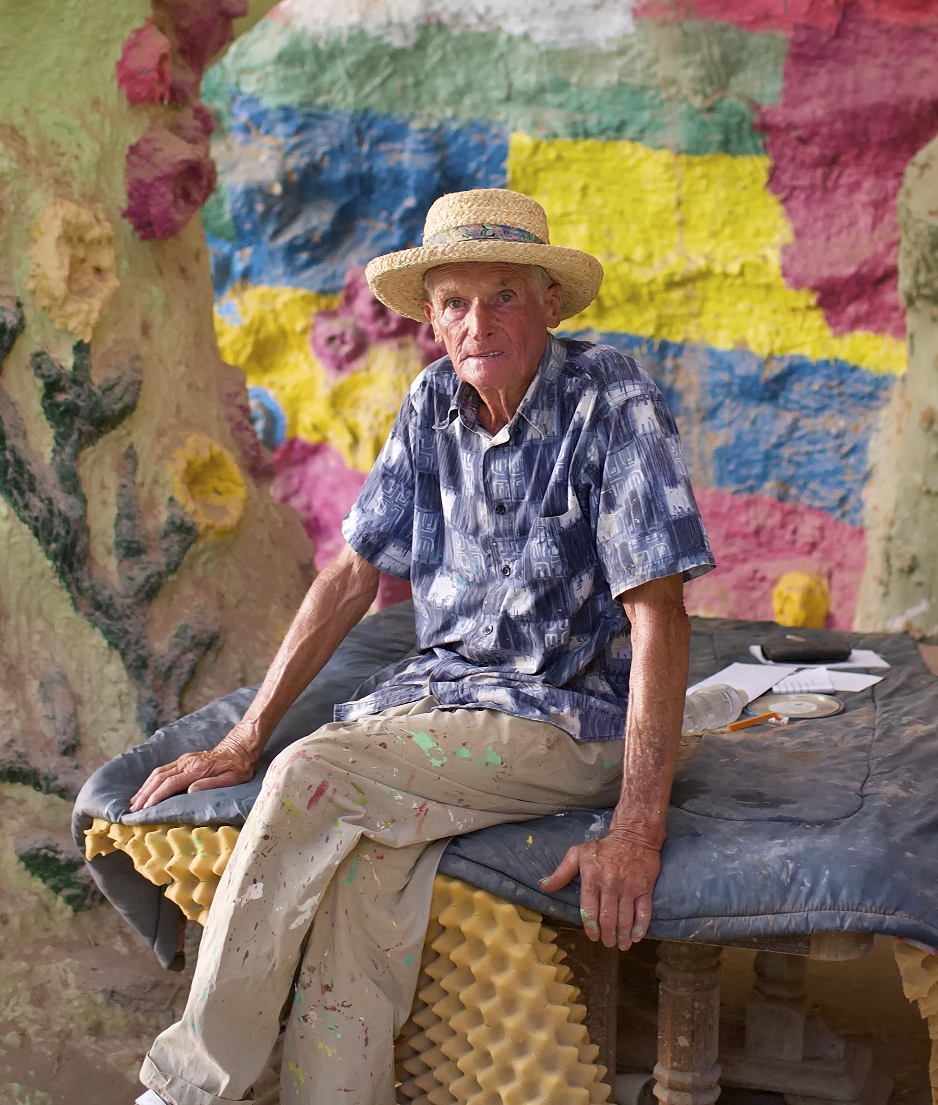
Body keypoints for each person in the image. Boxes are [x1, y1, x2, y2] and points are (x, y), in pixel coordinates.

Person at [132, 188, 713, 1105]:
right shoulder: (433, 400)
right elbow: (351, 576)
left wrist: (638, 828)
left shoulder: (613, 399)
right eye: (454, 302)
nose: (476, 323)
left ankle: (187, 1089)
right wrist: (243, 738)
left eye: (504, 296)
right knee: (365, 884)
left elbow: (661, 615)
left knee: (312, 775)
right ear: (431, 316)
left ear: (550, 303)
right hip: (439, 710)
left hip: (570, 721)